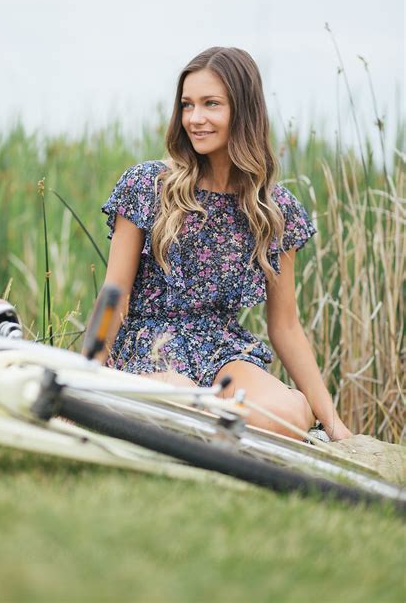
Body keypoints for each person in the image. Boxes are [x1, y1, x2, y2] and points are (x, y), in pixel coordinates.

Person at [98, 46, 352, 441]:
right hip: (151, 346)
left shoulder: (274, 210)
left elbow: (285, 326)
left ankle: (264, 420)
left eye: (211, 104)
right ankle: (206, 421)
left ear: (243, 111)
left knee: (286, 414)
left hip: (223, 352)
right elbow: (114, 295)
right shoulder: (147, 185)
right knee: (181, 398)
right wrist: (83, 381)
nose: (195, 119)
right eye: (187, 105)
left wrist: (336, 427)